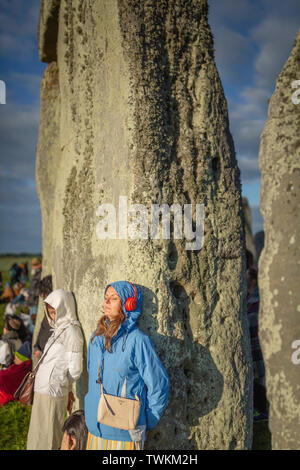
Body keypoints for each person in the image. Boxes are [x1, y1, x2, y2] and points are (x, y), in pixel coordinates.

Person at [84, 281, 169, 450]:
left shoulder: (138, 340)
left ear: (129, 304)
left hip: (125, 435)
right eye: (106, 298)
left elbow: (159, 385)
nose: (106, 302)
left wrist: (145, 422)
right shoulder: (96, 338)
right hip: (94, 430)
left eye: (113, 298)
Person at [26, 288, 84, 450]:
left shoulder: (72, 331)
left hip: (53, 390)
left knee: (48, 437)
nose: (52, 316)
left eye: (55, 312)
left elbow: (76, 368)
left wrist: (63, 382)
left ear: (65, 308)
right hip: (43, 389)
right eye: (50, 312)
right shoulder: (58, 329)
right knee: (38, 435)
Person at [246, 267, 268, 421]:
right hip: (253, 354)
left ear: (253, 280)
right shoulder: (248, 300)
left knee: (261, 383)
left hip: (259, 353)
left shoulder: (257, 301)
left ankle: (263, 414)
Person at [0, 341, 32, 406]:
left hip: (7, 396)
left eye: (15, 358)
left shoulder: (18, 369)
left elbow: (4, 377)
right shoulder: (26, 368)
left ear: (20, 359)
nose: (14, 360)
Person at [33, 275, 53, 361]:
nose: (45, 300)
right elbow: (38, 340)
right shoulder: (47, 316)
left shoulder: (57, 318)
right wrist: (36, 349)